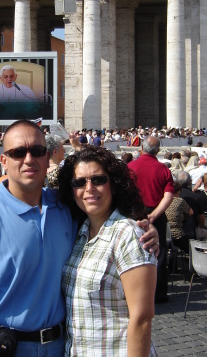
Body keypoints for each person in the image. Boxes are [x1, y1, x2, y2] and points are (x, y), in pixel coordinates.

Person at [0, 120, 159, 357]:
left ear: (47, 158)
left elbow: (104, 219)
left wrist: (143, 229)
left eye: (37, 151)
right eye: (17, 152)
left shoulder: (66, 209)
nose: (28, 159)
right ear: (4, 161)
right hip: (6, 348)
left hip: (60, 346)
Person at [58, 147, 157, 356]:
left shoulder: (129, 234)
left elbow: (142, 318)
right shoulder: (79, 232)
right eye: (79, 182)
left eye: (98, 180)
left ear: (114, 184)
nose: (89, 188)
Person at [128, 136, 174, 303]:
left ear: (141, 149)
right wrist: (155, 214)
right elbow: (169, 196)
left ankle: (135, 291)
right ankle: (159, 293)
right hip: (156, 214)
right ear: (158, 151)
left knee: (134, 250)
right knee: (158, 252)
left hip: (134, 214)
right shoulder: (163, 169)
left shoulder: (130, 167)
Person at [165, 182, 194, 253]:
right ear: (179, 190)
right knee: (191, 248)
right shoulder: (180, 201)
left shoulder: (164, 200)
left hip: (165, 234)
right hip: (177, 235)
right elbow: (191, 212)